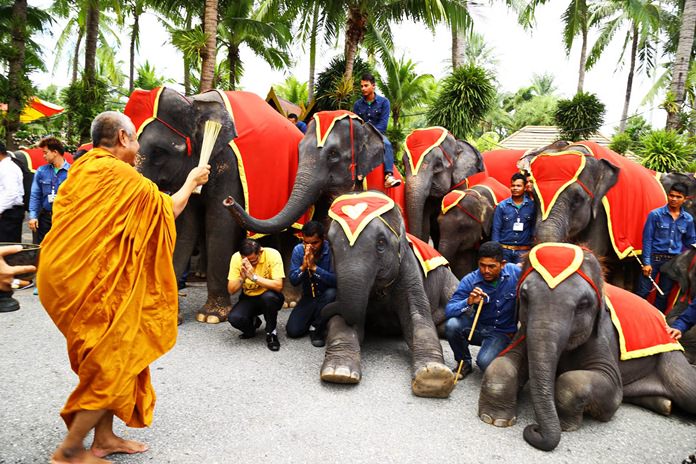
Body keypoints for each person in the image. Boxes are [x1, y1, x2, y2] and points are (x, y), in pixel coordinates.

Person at [37, 111, 210, 463]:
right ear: (121, 138)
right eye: (135, 140)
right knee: (110, 361)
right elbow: (169, 209)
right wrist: (192, 181)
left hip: (68, 276)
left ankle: (103, 439)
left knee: (107, 357)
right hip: (95, 283)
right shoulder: (119, 174)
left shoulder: (82, 169)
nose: (136, 149)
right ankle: (69, 450)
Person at [444, 241, 520, 378]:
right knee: (452, 325)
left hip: (501, 333)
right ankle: (464, 362)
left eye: (492, 266)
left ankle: (506, 352)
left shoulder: (515, 273)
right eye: (482, 266)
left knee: (485, 363)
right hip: (477, 328)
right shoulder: (470, 280)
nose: (486, 271)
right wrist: (469, 301)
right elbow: (449, 310)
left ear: (502, 264)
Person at [638, 182, 696, 312]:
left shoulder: (688, 219)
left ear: (685, 199)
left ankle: (656, 322)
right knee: (642, 292)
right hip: (653, 259)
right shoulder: (655, 215)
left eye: (678, 197)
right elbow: (647, 240)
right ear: (668, 195)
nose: (674, 199)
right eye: (671, 195)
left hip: (672, 262)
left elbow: (690, 241)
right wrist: (646, 262)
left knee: (663, 295)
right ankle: (635, 318)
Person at [227, 238, 285, 351]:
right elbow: (231, 290)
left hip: (270, 296)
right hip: (249, 297)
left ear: (260, 252)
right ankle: (253, 324)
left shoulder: (272, 254)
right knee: (234, 318)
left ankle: (271, 333)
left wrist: (254, 277)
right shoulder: (236, 258)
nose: (250, 264)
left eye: (253, 261)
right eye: (246, 261)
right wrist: (242, 277)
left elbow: (278, 286)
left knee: (269, 298)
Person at [286, 221, 337, 347]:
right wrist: (303, 267)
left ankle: (317, 330)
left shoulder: (332, 250)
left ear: (323, 239)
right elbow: (293, 280)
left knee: (331, 293)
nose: (310, 247)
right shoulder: (298, 250)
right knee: (293, 331)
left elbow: (336, 281)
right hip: (309, 297)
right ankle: (316, 318)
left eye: (315, 243)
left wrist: (314, 268)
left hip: (328, 296)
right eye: (306, 243)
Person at [352, 73, 401, 189]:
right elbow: (355, 124)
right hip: (360, 135)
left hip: (378, 135)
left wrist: (368, 133)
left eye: (366, 85)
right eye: (362, 86)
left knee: (387, 144)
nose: (363, 88)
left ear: (373, 86)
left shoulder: (384, 102)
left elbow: (383, 125)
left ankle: (388, 176)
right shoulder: (357, 105)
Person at [29, 136, 70, 244]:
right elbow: (35, 195)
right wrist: (33, 216)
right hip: (45, 218)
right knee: (41, 248)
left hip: (64, 219)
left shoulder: (72, 172)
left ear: (55, 152)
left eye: (45, 152)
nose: (44, 156)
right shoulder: (41, 171)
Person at [491, 172, 536, 264]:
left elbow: (534, 229)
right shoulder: (501, 206)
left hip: (523, 252)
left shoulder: (532, 206)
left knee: (521, 277)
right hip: (504, 251)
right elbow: (496, 230)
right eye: (513, 185)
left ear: (525, 187)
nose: (515, 188)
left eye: (519, 186)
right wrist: (496, 252)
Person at [0, 142, 25, 243]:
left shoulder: (8, 168)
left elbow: (11, 193)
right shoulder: (4, 167)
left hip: (9, 214)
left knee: (7, 248)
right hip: (7, 212)